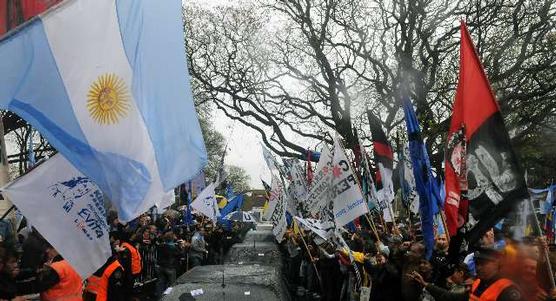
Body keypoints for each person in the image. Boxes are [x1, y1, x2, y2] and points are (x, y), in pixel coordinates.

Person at [409, 247, 525, 301]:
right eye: (477, 263)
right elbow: (451, 297)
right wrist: (426, 284)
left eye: (483, 263)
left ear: (496, 263)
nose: (478, 267)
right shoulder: (477, 283)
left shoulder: (508, 290)